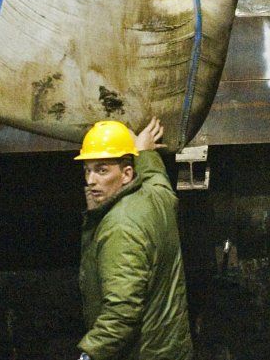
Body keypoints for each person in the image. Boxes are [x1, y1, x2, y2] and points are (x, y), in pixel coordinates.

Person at [76, 118, 194, 360]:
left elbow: (121, 312)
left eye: (102, 170)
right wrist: (144, 151)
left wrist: (88, 356)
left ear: (127, 173)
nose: (91, 180)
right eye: (87, 170)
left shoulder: (120, 226)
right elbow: (156, 178)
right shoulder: (156, 198)